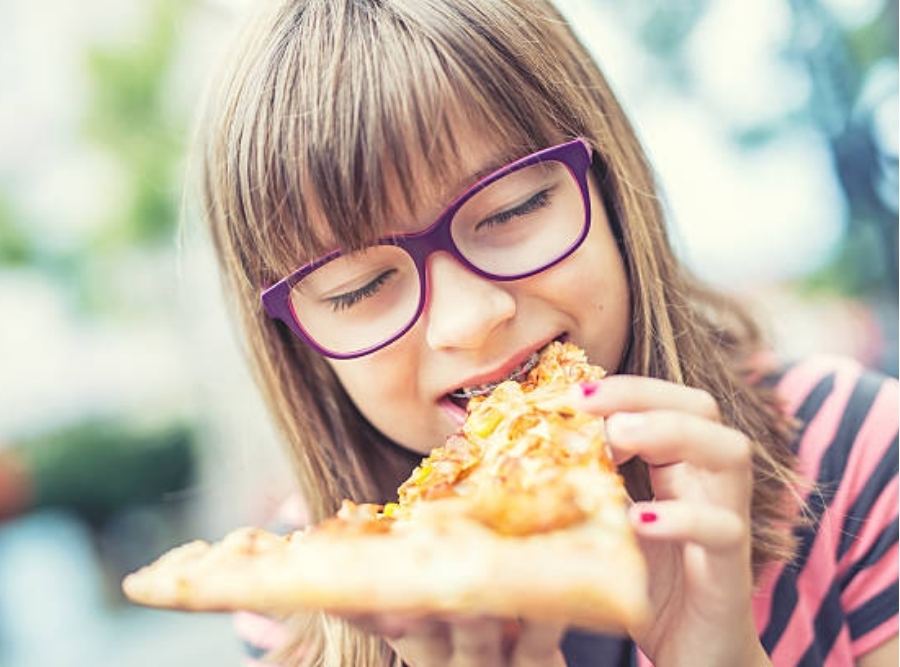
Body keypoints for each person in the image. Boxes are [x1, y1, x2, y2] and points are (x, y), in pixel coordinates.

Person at [194, 1, 898, 665]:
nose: (469, 321)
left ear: (610, 186)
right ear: (297, 342)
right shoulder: (304, 600)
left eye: (511, 209)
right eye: (361, 287)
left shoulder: (861, 453)